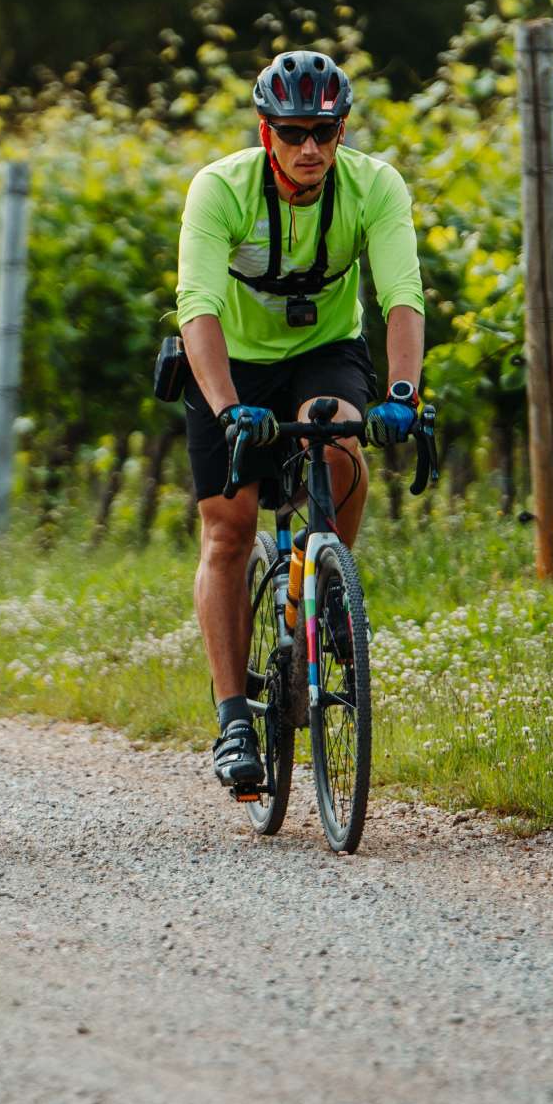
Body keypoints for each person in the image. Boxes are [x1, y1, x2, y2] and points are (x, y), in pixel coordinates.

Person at [173, 50, 426, 798]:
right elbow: (199, 308)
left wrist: (405, 394)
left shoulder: (375, 187)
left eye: (325, 131)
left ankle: (322, 590)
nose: (310, 147)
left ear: (342, 131)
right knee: (228, 527)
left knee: (342, 437)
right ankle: (232, 720)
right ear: (266, 131)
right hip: (230, 361)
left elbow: (402, 294)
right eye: (293, 132)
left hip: (323, 348)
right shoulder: (220, 189)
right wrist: (226, 408)